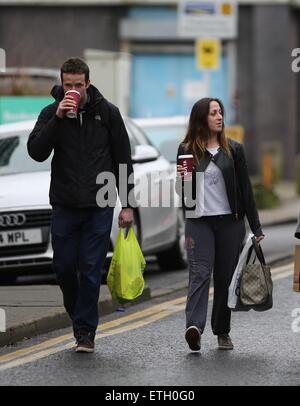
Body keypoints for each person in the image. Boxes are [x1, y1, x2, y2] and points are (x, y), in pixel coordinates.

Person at [27, 57, 134, 353]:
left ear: (87, 83)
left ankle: (85, 333)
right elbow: (36, 152)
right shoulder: (51, 113)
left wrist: (128, 205)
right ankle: (80, 318)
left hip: (99, 205)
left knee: (89, 268)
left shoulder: (108, 113)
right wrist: (57, 119)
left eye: (77, 84)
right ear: (62, 83)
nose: (72, 89)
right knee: (62, 267)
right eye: (67, 84)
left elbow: (123, 159)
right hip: (64, 204)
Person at [176, 97, 264, 352]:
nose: (219, 117)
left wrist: (256, 228)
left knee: (225, 279)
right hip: (199, 223)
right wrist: (183, 179)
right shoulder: (186, 149)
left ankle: (222, 331)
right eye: (213, 113)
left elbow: (245, 190)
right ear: (202, 118)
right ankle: (194, 327)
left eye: (220, 112)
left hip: (230, 223)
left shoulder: (234, 149)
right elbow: (183, 192)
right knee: (200, 273)